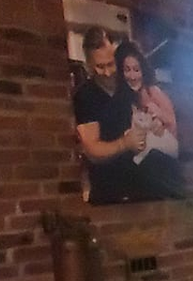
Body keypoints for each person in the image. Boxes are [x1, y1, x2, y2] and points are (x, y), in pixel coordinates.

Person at [70, 27, 144, 203]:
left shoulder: (130, 86)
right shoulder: (85, 96)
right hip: (108, 195)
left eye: (111, 64)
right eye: (99, 66)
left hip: (142, 188)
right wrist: (125, 143)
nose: (107, 72)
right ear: (88, 63)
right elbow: (92, 150)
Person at [114, 40, 182, 199]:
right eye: (127, 70)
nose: (132, 76)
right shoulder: (121, 100)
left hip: (163, 156)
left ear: (143, 71)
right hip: (138, 163)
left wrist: (158, 115)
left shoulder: (153, 92)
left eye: (136, 70)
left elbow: (172, 123)